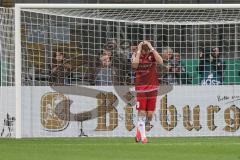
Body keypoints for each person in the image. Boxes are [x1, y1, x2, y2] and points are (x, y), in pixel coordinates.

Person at [131, 40, 163, 143]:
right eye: (143, 49)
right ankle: (144, 137)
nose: (145, 51)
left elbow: (161, 61)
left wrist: (151, 47)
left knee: (149, 114)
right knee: (142, 112)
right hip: (140, 88)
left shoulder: (152, 55)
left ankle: (140, 129)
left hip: (153, 87)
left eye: (146, 49)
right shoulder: (136, 54)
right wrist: (139, 50)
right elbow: (135, 66)